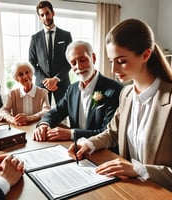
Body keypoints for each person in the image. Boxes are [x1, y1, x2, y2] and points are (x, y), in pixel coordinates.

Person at [68, 19, 172, 192]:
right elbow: (113, 132)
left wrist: (140, 169)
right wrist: (88, 143)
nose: (113, 69)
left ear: (146, 55)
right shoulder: (127, 94)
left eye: (121, 61)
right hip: (129, 189)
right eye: (111, 61)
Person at [33, 41, 123, 143]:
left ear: (93, 58)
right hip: (76, 150)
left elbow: (108, 133)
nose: (79, 67)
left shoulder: (115, 90)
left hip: (104, 152)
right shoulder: (72, 89)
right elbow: (56, 112)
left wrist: (71, 134)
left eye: (82, 60)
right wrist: (44, 124)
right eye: (73, 63)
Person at [29, 0, 72, 105]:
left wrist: (56, 79)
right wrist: (45, 80)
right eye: (42, 15)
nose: (45, 17)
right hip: (42, 84)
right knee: (42, 115)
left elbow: (70, 61)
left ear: (53, 13)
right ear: (39, 17)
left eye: (47, 13)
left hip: (62, 83)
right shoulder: (35, 38)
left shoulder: (66, 35)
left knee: (64, 115)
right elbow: (31, 62)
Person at [0, 61, 50, 126]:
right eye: (20, 74)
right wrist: (12, 119)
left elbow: (47, 111)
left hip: (37, 128)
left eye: (27, 72)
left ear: (31, 74)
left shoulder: (42, 92)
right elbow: (2, 111)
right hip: (19, 129)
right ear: (17, 79)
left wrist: (29, 118)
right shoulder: (13, 94)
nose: (25, 76)